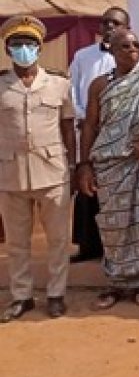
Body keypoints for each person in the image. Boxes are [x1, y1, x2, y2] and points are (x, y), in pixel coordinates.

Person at [78, 28, 139, 309]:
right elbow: (89, 125)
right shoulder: (99, 85)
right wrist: (83, 165)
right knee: (114, 226)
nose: (132, 49)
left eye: (137, 44)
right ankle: (115, 283)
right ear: (111, 50)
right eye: (125, 45)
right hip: (111, 165)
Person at [0, 16, 75, 322]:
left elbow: (68, 127)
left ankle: (56, 294)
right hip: (10, 172)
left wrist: (72, 162)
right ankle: (22, 296)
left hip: (52, 171)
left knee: (58, 239)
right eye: (17, 44)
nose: (23, 50)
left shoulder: (59, 84)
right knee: (17, 242)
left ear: (40, 48)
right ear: (7, 49)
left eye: (29, 44)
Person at [69, 7, 139, 263]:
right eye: (105, 22)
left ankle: (122, 251)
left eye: (115, 22)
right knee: (88, 186)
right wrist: (84, 117)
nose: (109, 26)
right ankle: (88, 246)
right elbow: (71, 92)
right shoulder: (82, 56)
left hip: (122, 137)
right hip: (89, 128)